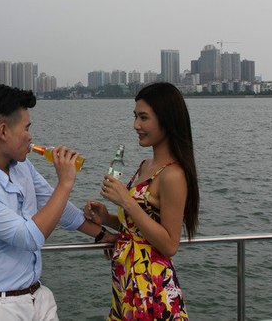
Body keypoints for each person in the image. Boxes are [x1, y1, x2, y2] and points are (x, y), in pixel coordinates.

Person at [0, 84, 115, 321]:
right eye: (26, 128)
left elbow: (60, 209)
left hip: (37, 297)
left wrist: (104, 236)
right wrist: (65, 183)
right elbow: (29, 237)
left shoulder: (22, 167)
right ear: (3, 131)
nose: (30, 137)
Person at [85, 82, 199, 321]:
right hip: (127, 283)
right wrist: (107, 218)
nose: (136, 125)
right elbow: (140, 228)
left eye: (144, 117)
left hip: (152, 288)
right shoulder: (146, 166)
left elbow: (169, 244)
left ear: (167, 120)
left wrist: (126, 202)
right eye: (135, 116)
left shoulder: (173, 174)